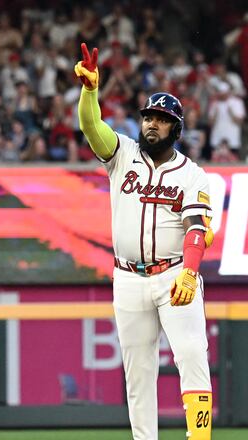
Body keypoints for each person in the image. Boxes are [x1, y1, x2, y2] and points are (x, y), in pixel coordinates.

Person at [75, 43, 214, 440]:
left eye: (162, 119)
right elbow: (91, 126)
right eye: (149, 116)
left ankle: (199, 438)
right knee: (138, 371)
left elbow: (196, 228)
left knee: (191, 356)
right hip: (128, 278)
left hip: (173, 275)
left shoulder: (192, 174)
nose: (152, 123)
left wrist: (189, 273)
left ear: (176, 128)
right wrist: (89, 93)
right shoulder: (122, 154)